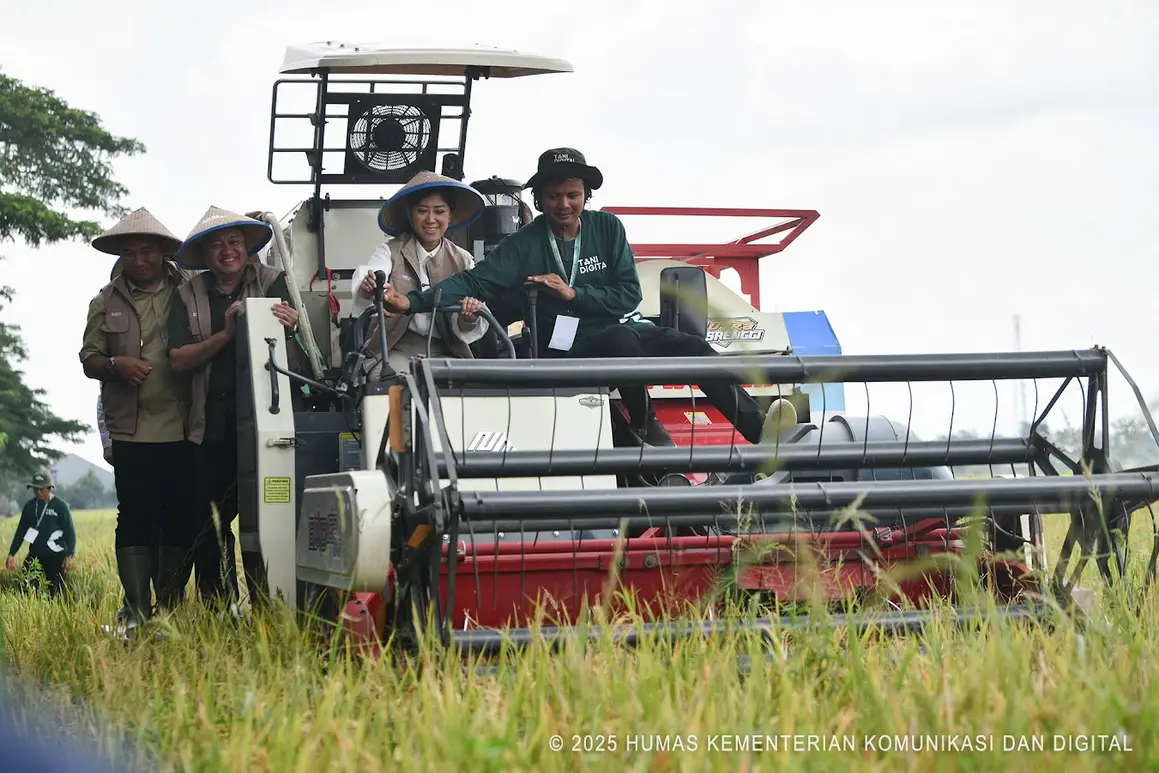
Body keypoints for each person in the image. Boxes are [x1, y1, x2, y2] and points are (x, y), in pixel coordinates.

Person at [379, 148, 796, 447]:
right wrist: (412, 302)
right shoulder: (524, 244)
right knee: (621, 342)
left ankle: (761, 431)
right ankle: (646, 422)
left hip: (618, 329)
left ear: (586, 196)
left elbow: (628, 294)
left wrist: (572, 293)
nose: (564, 204)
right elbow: (473, 283)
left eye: (573, 195)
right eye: (555, 196)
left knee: (690, 346)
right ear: (539, 200)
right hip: (568, 350)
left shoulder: (608, 229)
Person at [167, 206, 303, 608]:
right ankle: (218, 607)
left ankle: (272, 605)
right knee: (210, 521)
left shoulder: (274, 281)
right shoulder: (187, 293)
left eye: (234, 242)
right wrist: (226, 333)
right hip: (208, 424)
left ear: (247, 247)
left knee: (272, 515)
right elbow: (178, 360)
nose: (227, 251)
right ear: (206, 254)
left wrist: (291, 325)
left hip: (268, 422)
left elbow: (300, 347)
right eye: (217, 244)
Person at [78, 209, 196, 629]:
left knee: (181, 514)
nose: (138, 260)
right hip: (131, 428)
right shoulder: (104, 300)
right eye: (129, 253)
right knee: (135, 516)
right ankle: (137, 612)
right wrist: (115, 364)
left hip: (186, 424)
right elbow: (89, 359)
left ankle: (168, 603)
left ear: (163, 252)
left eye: (146, 251)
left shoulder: (189, 289)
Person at [348, 171, 490, 375]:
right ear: (410, 214)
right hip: (394, 350)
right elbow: (373, 275)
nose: (430, 219)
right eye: (422, 210)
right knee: (400, 385)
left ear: (450, 214)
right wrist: (370, 288)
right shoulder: (389, 251)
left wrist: (468, 318)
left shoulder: (463, 259)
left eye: (439, 211)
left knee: (466, 390)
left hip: (448, 352)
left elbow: (470, 322)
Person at [4, 472, 76, 598]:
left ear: (49, 488)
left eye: (42, 490)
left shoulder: (60, 506)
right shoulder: (30, 507)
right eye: (35, 489)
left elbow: (70, 532)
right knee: (26, 587)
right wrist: (12, 553)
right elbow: (21, 531)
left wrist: (70, 555)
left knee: (55, 593)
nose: (38, 493)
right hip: (36, 555)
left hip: (56, 556)